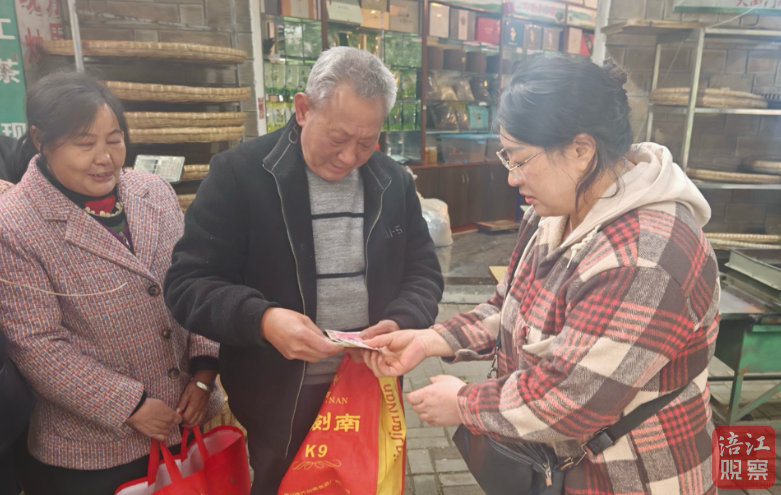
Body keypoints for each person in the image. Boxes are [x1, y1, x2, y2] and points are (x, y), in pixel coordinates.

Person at [363, 54, 720, 494]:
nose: (512, 178)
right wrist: (430, 340)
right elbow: (510, 305)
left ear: (580, 150)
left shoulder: (647, 256)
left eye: (519, 159)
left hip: (634, 476)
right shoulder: (555, 211)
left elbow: (569, 398)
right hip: (560, 466)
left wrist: (462, 402)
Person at [164, 46, 444, 493]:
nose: (349, 156)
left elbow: (423, 273)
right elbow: (187, 284)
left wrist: (400, 320)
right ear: (303, 109)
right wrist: (264, 319)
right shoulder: (241, 175)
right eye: (338, 138)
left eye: (367, 142)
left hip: (368, 388)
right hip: (277, 399)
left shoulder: (391, 181)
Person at [0, 72, 223, 495]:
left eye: (114, 140)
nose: (105, 158)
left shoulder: (153, 192)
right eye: (85, 144)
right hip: (93, 452)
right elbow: (36, 344)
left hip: (184, 420)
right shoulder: (14, 223)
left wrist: (204, 369)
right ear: (41, 140)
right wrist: (130, 405)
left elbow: (196, 280)